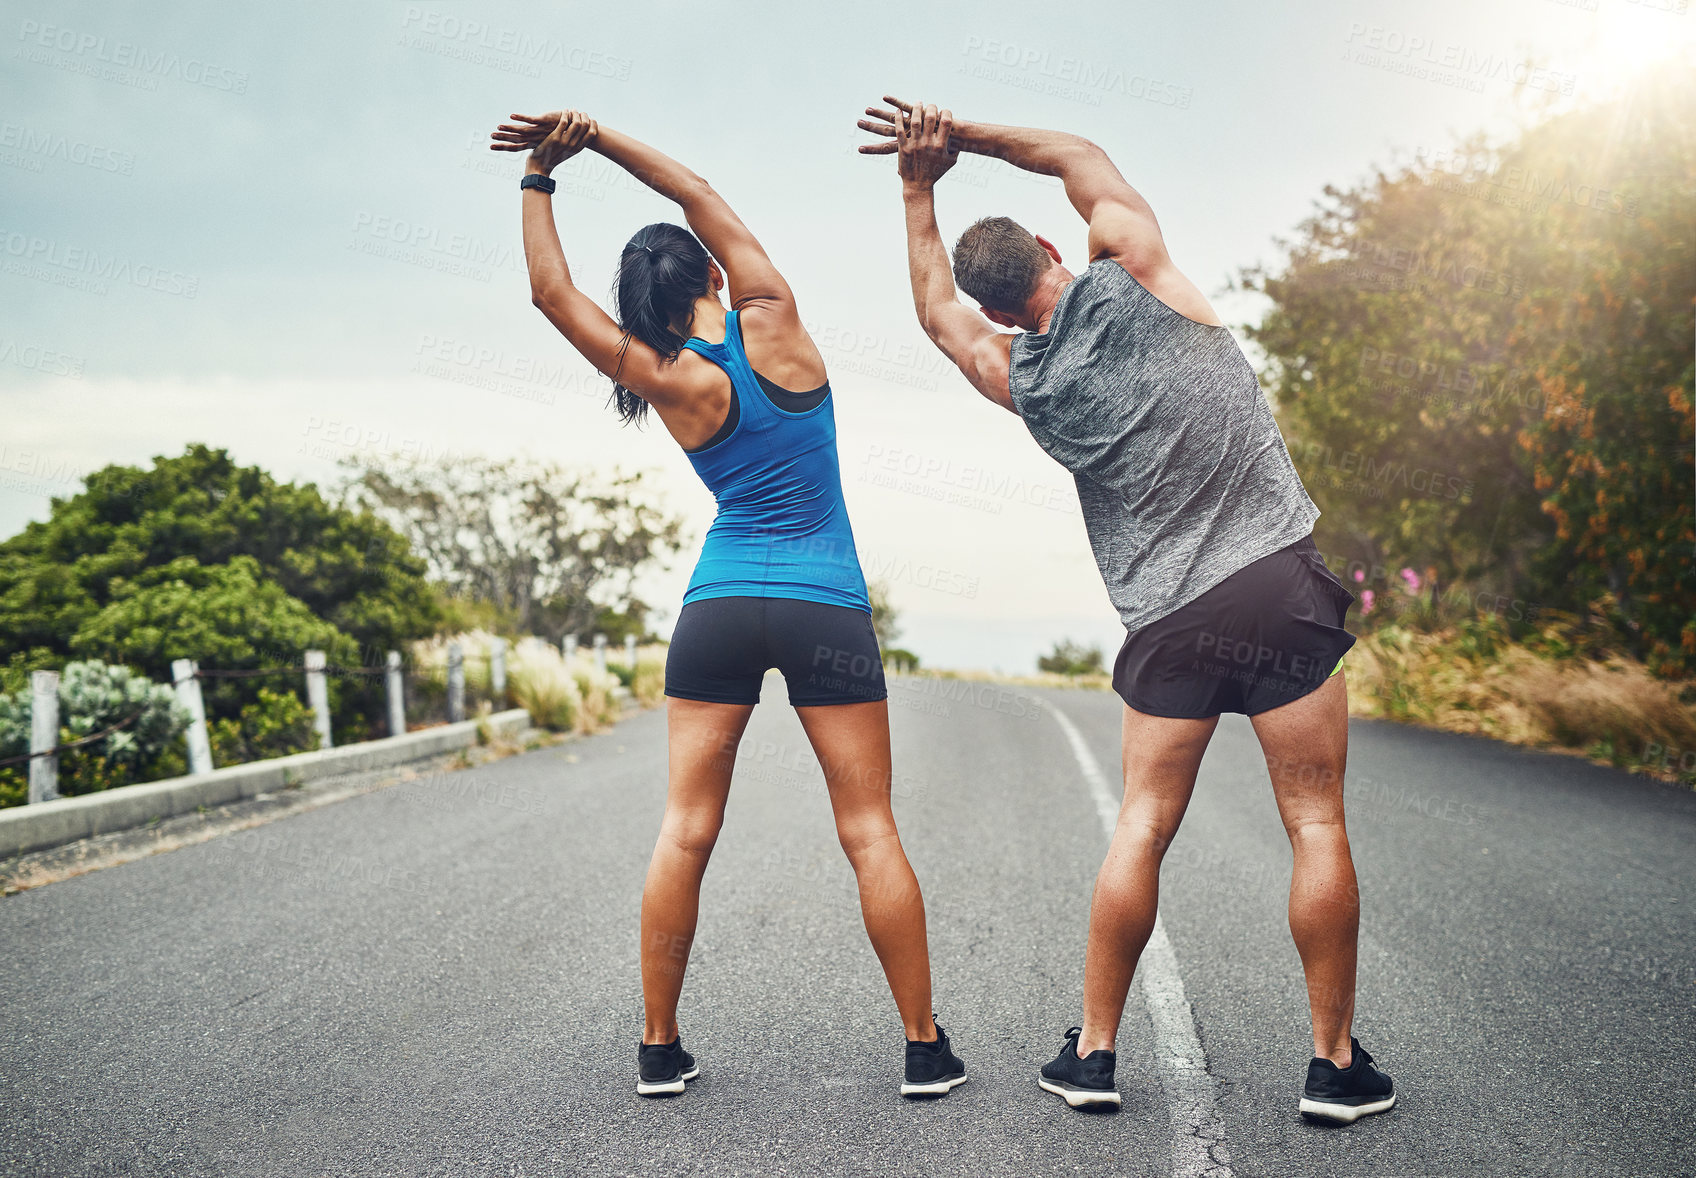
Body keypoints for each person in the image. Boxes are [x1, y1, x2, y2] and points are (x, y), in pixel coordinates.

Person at [857, 96, 1395, 1123]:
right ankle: (1332, 1065)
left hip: (1171, 623)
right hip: (1278, 586)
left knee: (1141, 825)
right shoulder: (1135, 267)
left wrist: (915, 189)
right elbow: (1079, 153)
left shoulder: (1021, 376)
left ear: (1001, 310)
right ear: (1056, 246)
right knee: (1315, 819)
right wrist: (956, 138)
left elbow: (936, 314)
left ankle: (1094, 1053)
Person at [491, 109, 966, 1099]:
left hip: (717, 603)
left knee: (685, 826)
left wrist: (540, 178)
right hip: (822, 603)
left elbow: (547, 292)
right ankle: (924, 1047)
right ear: (707, 273)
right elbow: (695, 191)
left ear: (646, 303)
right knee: (869, 828)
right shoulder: (772, 312)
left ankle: (659, 1047)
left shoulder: (661, 375)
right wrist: (598, 140)